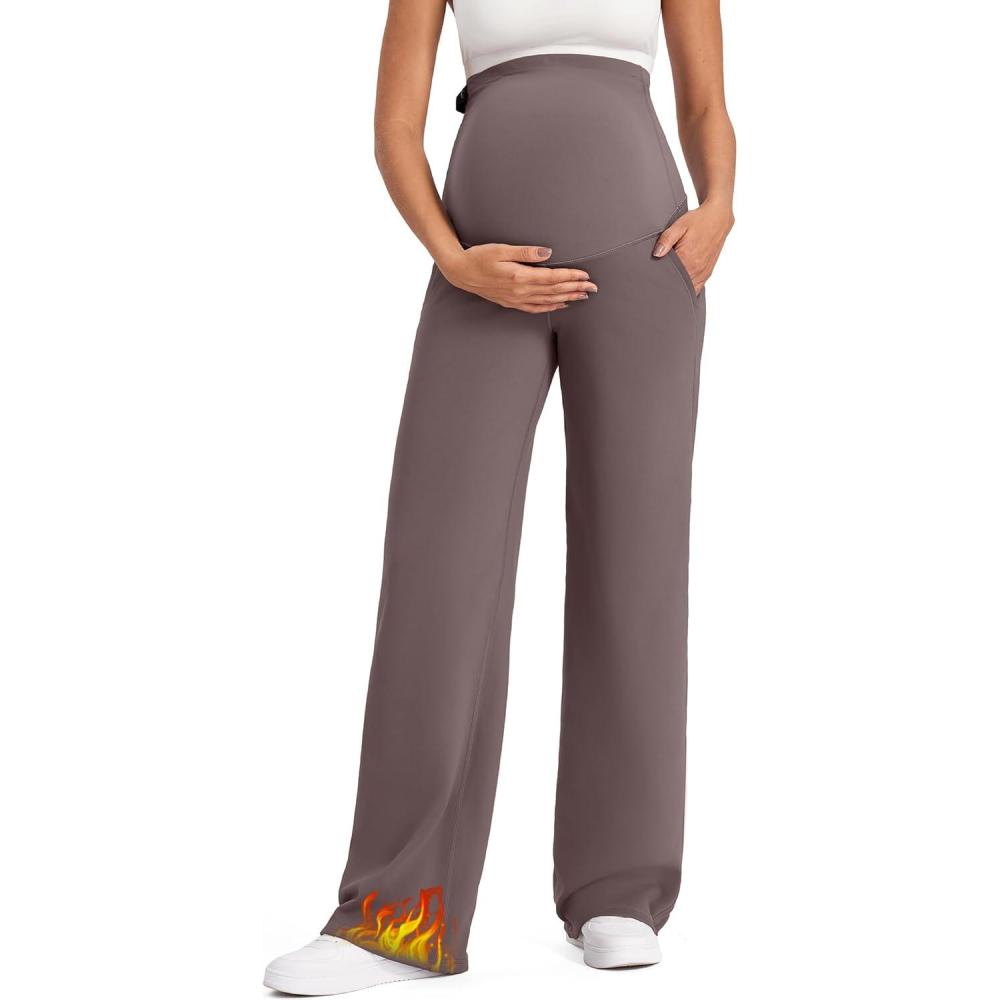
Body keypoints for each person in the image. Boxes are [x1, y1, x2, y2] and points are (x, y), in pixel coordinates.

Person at [264, 0, 735, 993]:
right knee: (439, 571)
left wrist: (719, 208)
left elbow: (703, 103)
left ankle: (618, 891)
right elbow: (395, 127)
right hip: (479, 278)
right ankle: (396, 917)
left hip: (645, 261)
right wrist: (452, 259)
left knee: (635, 566)